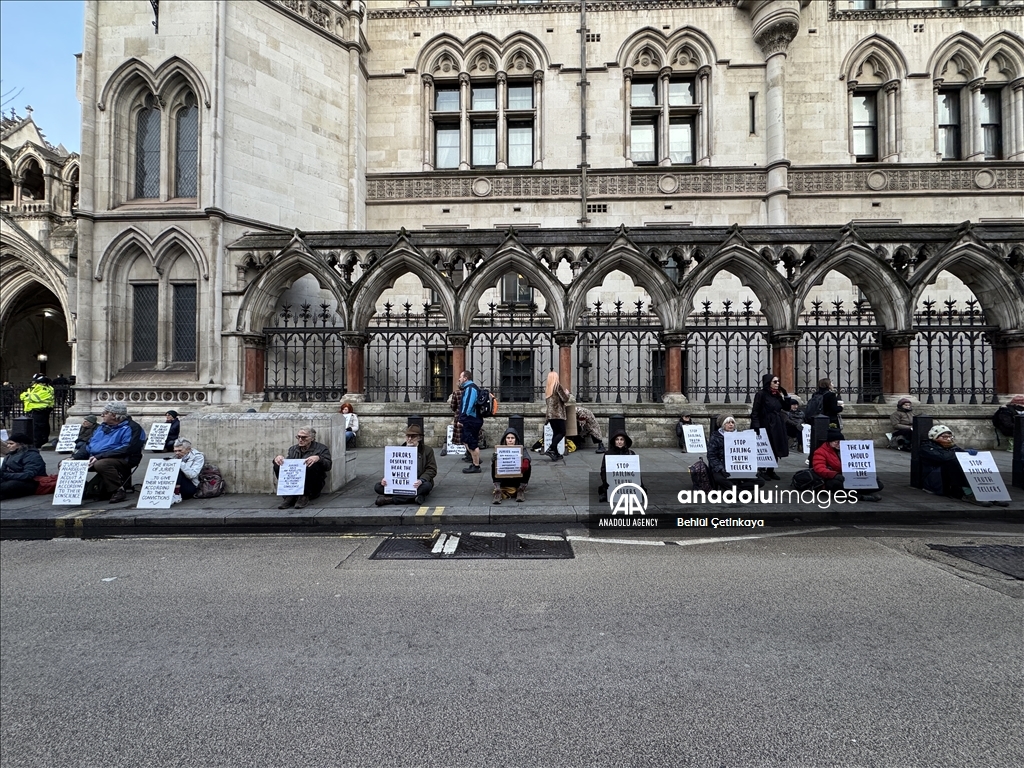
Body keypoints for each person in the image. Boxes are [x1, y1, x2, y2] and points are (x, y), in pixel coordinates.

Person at [69, 402, 146, 503]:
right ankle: (82, 490)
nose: (102, 415)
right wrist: (74, 458)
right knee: (66, 463)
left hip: (124, 459)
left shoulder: (132, 428)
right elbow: (88, 445)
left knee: (101, 464)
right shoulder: (101, 427)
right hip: (97, 457)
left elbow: (128, 448)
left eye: (105, 413)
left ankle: (118, 490)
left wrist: (100, 456)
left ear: (114, 415)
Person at [918, 425, 1007, 508]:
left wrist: (968, 454)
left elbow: (960, 455)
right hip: (934, 480)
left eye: (950, 436)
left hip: (948, 478)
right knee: (951, 462)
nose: (948, 439)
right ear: (935, 437)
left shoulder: (952, 447)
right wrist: (962, 454)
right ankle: (968, 493)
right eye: (944, 437)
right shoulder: (926, 447)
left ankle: (990, 493)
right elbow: (943, 457)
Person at [810, 428, 882, 501]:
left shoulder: (847, 449)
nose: (839, 444)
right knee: (835, 484)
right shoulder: (821, 452)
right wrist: (835, 475)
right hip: (832, 478)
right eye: (836, 442)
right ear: (829, 442)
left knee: (878, 484)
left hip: (849, 476)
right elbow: (819, 468)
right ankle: (860, 495)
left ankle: (850, 493)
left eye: (841, 442)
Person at [375, 424, 437, 506]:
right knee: (378, 487)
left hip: (417, 483)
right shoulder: (399, 450)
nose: (410, 439)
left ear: (419, 438)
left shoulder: (427, 450)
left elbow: (432, 469)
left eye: (413, 436)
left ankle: (390, 499)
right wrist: (386, 479)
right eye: (408, 436)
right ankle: (415, 497)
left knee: (426, 486)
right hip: (401, 483)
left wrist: (421, 480)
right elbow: (393, 468)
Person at [273, 427, 332, 509]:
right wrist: (278, 459)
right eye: (298, 437)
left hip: (312, 484)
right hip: (296, 482)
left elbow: (328, 466)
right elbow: (289, 466)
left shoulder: (322, 448)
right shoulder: (293, 449)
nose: (300, 440)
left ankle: (304, 495)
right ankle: (290, 495)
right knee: (278, 464)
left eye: (304, 437)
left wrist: (319, 458)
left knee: (311, 464)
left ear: (312, 438)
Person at [750, 373, 787, 481]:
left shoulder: (777, 395)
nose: (777, 384)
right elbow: (755, 411)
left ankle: (771, 469)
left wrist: (786, 396)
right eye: (775, 382)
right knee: (766, 446)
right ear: (768, 383)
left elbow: (786, 407)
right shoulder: (761, 394)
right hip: (765, 423)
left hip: (777, 423)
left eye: (778, 381)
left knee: (776, 446)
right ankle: (762, 470)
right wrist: (756, 425)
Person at [0, 432, 47, 500]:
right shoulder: (9, 455)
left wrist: (5, 475)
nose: (8, 446)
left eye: (11, 444)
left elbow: (28, 475)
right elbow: (3, 471)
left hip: (32, 482)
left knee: (8, 486)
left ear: (20, 444)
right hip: (13, 478)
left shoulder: (32, 455)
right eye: (8, 443)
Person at [490, 427, 531, 504]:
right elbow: (493, 459)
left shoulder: (522, 448)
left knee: (528, 465)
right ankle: (498, 490)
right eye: (508, 438)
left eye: (512, 438)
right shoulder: (500, 448)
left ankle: (521, 489)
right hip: (503, 479)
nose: (510, 440)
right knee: (494, 464)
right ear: (505, 439)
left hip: (517, 479)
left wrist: (526, 461)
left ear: (516, 439)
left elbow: (527, 457)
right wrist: (494, 458)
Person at [598, 429, 636, 503]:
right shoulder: (608, 454)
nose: (619, 442)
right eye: (617, 439)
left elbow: (635, 471)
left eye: (621, 439)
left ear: (625, 441)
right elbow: (604, 470)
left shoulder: (631, 453)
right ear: (614, 441)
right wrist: (606, 481)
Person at [457, 370, 484, 473]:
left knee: (472, 442)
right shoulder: (470, 388)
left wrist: (462, 419)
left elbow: (468, 405)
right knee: (466, 440)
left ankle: (476, 465)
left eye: (460, 377)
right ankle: (475, 461)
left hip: (471, 420)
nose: (459, 379)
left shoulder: (470, 388)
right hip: (473, 419)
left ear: (465, 378)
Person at [20, 374, 55, 449]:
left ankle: (39, 442)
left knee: (39, 427)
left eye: (36, 381)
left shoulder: (45, 389)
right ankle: (38, 441)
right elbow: (22, 395)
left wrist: (27, 396)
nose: (34, 383)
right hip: (33, 410)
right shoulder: (35, 388)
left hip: (40, 410)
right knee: (36, 427)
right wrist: (27, 396)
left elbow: (35, 398)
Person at [544, 370, 571, 462]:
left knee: (556, 433)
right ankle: (551, 448)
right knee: (562, 432)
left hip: (550, 416)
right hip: (558, 415)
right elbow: (565, 399)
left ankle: (555, 453)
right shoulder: (557, 386)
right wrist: (567, 394)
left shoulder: (548, 389)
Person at [169, 438, 205, 504]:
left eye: (180, 451)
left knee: (178, 469)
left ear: (188, 450)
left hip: (191, 486)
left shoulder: (198, 457)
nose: (177, 453)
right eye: (175, 451)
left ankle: (176, 494)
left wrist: (180, 463)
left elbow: (192, 475)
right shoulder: (175, 456)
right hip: (177, 485)